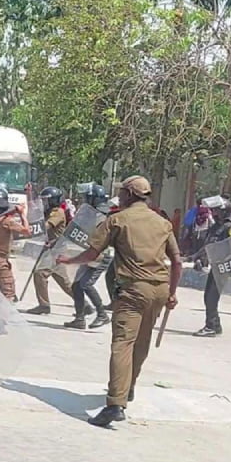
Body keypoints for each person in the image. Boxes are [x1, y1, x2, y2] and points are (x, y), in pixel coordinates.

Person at [57, 176, 182, 427]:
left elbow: (93, 253)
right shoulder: (162, 222)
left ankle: (115, 404)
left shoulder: (116, 220)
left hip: (133, 290)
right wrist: (172, 293)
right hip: (159, 289)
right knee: (141, 344)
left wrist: (69, 260)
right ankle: (129, 387)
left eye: (122, 192)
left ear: (128, 194)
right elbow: (177, 261)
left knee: (122, 344)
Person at [24, 186, 88, 315]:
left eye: (46, 200)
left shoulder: (57, 212)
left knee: (40, 273)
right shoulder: (48, 211)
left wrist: (30, 229)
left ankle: (44, 305)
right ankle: (84, 305)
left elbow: (46, 226)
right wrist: (29, 195)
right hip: (54, 249)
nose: (44, 203)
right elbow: (34, 210)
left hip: (56, 250)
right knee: (64, 282)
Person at [64, 183, 114, 330]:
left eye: (88, 197)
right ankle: (79, 318)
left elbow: (100, 240)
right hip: (91, 253)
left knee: (86, 284)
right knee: (76, 286)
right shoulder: (93, 213)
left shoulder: (102, 217)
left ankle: (102, 314)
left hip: (100, 255)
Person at [191, 198, 231, 337]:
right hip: (215, 265)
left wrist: (228, 263)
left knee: (211, 296)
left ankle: (211, 326)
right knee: (209, 295)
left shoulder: (230, 227)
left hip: (223, 267)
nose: (214, 213)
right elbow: (209, 244)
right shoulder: (216, 226)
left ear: (225, 212)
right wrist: (197, 257)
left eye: (218, 210)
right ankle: (215, 325)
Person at [0, 186, 31, 303]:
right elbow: (27, 231)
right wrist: (22, 214)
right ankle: (3, 319)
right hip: (0, 261)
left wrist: (13, 211)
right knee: (8, 294)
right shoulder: (7, 222)